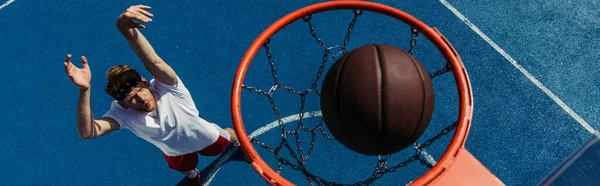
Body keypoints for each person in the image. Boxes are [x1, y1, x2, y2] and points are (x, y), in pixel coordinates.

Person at [63, 5, 240, 186]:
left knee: (228, 136)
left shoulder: (168, 86)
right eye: (132, 98)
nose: (140, 98)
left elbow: (152, 60)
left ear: (145, 82)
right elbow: (87, 132)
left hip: (205, 136)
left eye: (140, 89)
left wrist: (125, 28)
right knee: (185, 167)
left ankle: (239, 144)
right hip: (174, 152)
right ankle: (192, 175)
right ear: (123, 104)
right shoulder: (121, 114)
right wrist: (85, 90)